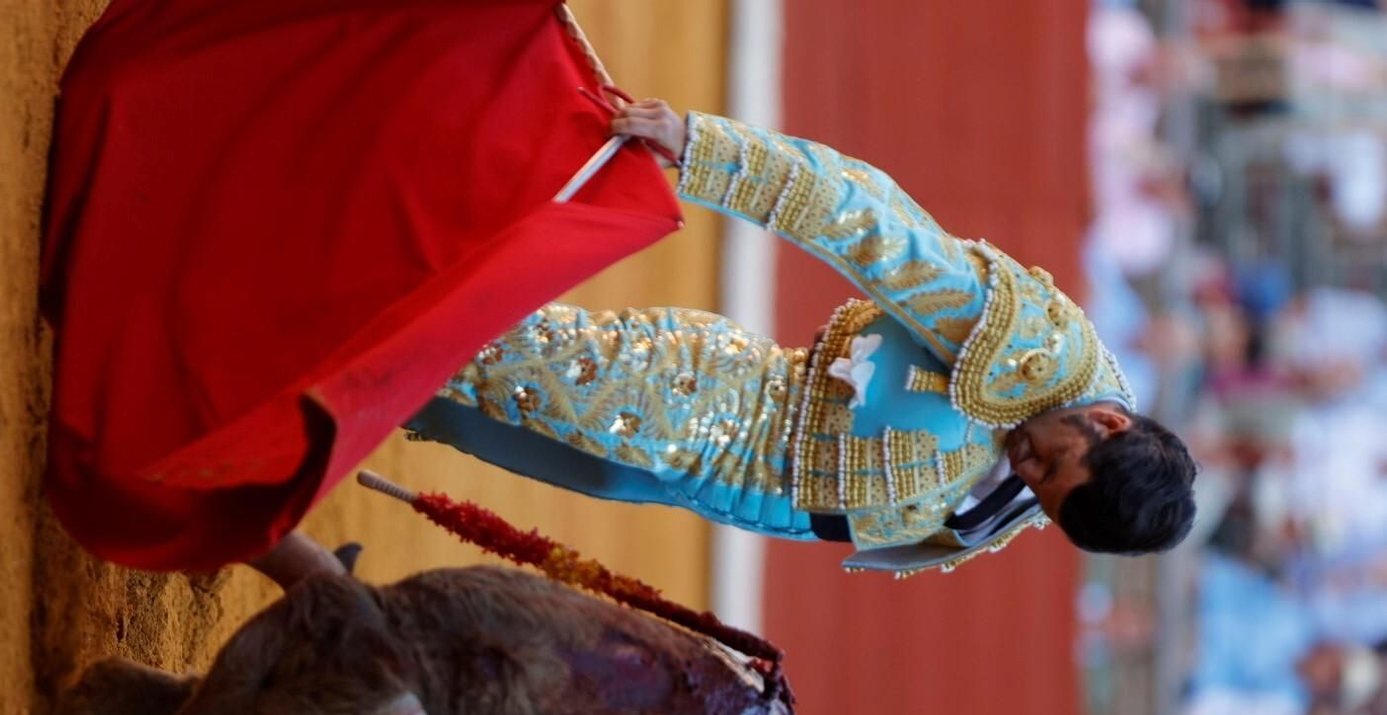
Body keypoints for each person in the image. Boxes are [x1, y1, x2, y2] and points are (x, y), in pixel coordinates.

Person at [404, 100, 1198, 576]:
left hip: (753, 496)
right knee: (491, 354)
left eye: (1045, 495)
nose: (1028, 470)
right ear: (1107, 422)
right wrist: (708, 148)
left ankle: (348, 389)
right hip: (729, 405)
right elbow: (874, 227)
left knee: (476, 419)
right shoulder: (1032, 349)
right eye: (1050, 462)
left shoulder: (1075, 472)